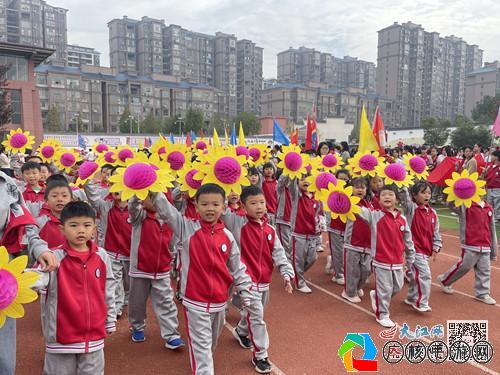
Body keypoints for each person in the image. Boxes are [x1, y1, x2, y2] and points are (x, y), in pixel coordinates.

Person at [152, 183, 254, 375]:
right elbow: (166, 211)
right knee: (202, 351)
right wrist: (150, 185)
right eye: (205, 204)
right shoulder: (186, 229)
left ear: (224, 207)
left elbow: (237, 267)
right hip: (195, 303)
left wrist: (246, 291)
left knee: (210, 346)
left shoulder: (228, 236)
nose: (210, 209)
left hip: (219, 304)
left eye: (215, 204)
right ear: (196, 206)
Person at [33, 201, 116, 375]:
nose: (81, 230)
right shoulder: (54, 257)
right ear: (62, 229)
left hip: (94, 336)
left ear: (94, 228)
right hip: (62, 337)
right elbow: (35, 281)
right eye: (73, 225)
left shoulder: (102, 256)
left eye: (87, 225)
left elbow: (108, 289)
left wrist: (110, 319)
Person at [222, 185, 294, 374]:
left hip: (264, 282)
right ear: (243, 206)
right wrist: (228, 196)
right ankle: (260, 354)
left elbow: (278, 252)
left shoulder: (269, 229)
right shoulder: (237, 223)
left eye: (262, 202)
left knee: (256, 313)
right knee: (258, 318)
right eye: (253, 203)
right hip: (247, 281)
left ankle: (241, 330)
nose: (259, 207)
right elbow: (222, 210)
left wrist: (286, 273)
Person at [0, 171, 57, 375]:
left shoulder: (7, 185)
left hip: (2, 276)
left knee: (3, 346)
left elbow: (26, 226)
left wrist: (40, 248)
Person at [127, 194, 183, 348]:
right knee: (137, 302)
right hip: (140, 269)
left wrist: (170, 260)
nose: (154, 202)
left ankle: (171, 333)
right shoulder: (140, 216)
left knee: (166, 302)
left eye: (157, 198)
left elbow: (172, 244)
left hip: (162, 270)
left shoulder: (170, 221)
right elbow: (132, 206)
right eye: (149, 198)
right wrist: (137, 192)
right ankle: (137, 326)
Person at [358, 185, 416, 327]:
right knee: (385, 289)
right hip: (380, 261)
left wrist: (410, 259)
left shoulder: (402, 218)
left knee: (397, 287)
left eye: (390, 194)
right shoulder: (374, 215)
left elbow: (408, 240)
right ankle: (382, 314)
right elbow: (358, 210)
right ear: (379, 198)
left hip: (397, 262)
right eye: (383, 195)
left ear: (396, 198)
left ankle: (376, 295)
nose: (387, 197)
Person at [84, 179, 132, 318]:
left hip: (130, 254)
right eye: (114, 185)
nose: (117, 189)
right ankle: (116, 308)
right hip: (111, 252)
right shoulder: (105, 206)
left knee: (128, 282)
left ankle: (125, 300)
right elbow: (93, 197)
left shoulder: (136, 209)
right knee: (115, 281)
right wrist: (87, 179)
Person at [438, 197, 497, 305]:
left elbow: (492, 229)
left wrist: (493, 250)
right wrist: (458, 195)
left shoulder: (489, 208)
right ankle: (444, 280)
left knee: (485, 270)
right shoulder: (466, 205)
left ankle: (482, 293)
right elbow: (450, 205)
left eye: (483, 187)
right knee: (464, 266)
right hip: (470, 244)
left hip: (485, 246)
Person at [399, 182, 442, 312]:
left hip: (425, 251)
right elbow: (403, 196)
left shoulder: (433, 213)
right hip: (414, 250)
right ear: (414, 195)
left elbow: (436, 232)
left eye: (428, 193)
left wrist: (436, 246)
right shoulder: (411, 208)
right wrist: (401, 181)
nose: (427, 195)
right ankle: (421, 302)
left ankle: (412, 297)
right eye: (423, 193)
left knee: (414, 276)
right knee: (424, 275)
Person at [282, 173, 322, 293]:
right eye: (302, 179)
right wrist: (294, 170)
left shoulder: (316, 197)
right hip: (298, 234)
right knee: (298, 259)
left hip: (313, 235)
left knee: (313, 258)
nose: (305, 181)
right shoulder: (296, 195)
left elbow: (318, 215)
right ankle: (299, 282)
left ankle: (293, 272)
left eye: (308, 179)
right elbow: (292, 182)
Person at [342, 177, 373, 303]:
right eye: (357, 187)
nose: (360, 189)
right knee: (353, 270)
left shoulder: (369, 204)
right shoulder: (349, 203)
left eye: (363, 187)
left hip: (367, 244)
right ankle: (349, 292)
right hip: (353, 243)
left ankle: (357, 287)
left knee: (366, 270)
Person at [35, 180, 73, 248]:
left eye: (64, 196)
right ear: (46, 201)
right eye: (54, 196)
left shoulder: (78, 221)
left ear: (71, 200)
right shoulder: (39, 223)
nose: (60, 199)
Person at [484, 150, 500, 222]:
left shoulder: (499, 167)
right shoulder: (489, 166)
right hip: (489, 187)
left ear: (496, 157)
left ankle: (497, 217)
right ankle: (490, 216)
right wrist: (484, 173)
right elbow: (485, 176)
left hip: (497, 188)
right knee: (489, 204)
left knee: (497, 203)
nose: (491, 157)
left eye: (492, 155)